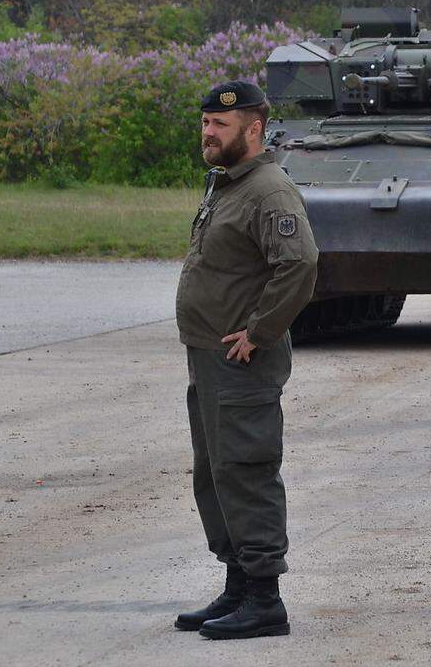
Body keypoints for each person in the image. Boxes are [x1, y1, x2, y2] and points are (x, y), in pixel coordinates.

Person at [173, 80, 318, 638]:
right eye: (206, 123)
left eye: (220, 125)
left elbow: (300, 265)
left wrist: (259, 331)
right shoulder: (227, 184)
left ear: (253, 129)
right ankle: (237, 585)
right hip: (209, 359)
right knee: (215, 474)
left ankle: (265, 600)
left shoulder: (268, 190)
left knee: (248, 471)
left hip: (241, 363)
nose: (208, 133)